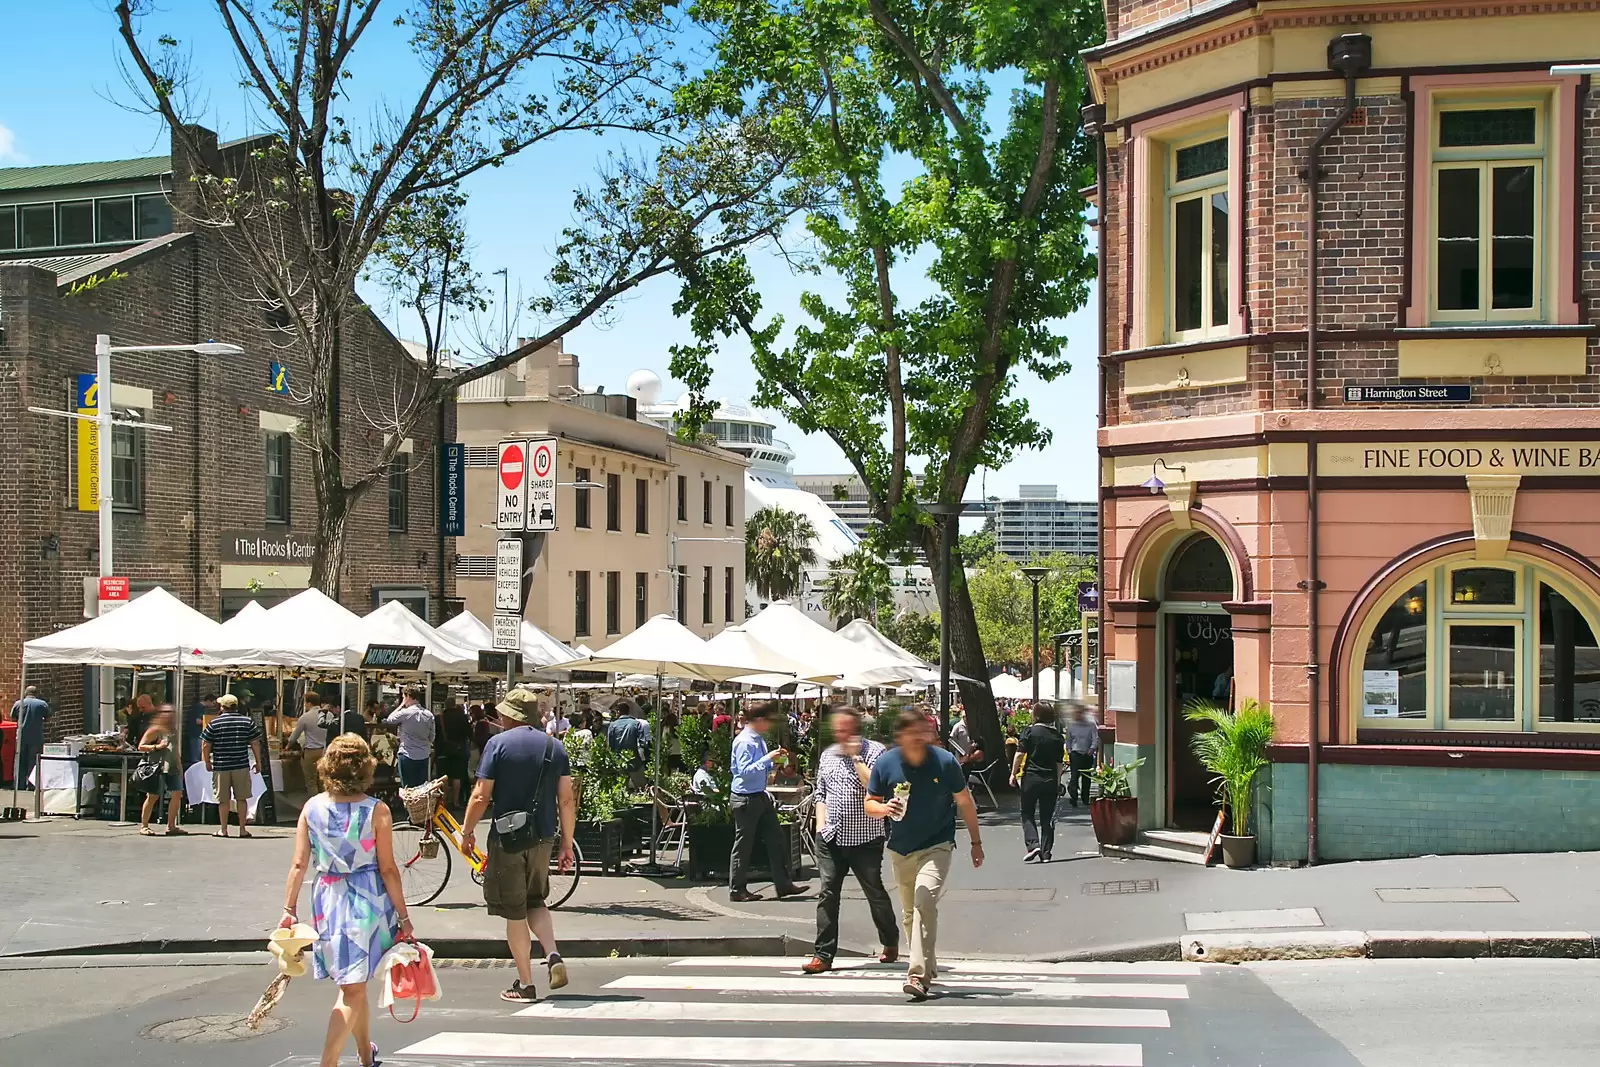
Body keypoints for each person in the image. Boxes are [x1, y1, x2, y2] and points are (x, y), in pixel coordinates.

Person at [280, 734, 410, 1067]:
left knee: (354, 983)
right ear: (365, 768)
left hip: (328, 899)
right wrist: (404, 916)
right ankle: (329, 1061)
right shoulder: (376, 810)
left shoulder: (311, 808)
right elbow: (389, 869)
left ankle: (366, 1053)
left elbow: (298, 864)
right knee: (352, 987)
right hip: (367, 901)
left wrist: (289, 910)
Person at [461, 688, 576, 1004]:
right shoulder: (555, 747)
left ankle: (525, 984)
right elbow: (566, 800)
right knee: (536, 899)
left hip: (508, 838)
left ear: (509, 715)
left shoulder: (497, 745)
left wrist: (467, 831)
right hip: (544, 836)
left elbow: (481, 795)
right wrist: (566, 844)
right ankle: (552, 953)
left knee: (514, 911)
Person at [866, 708, 984, 1001]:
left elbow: (965, 802)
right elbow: (870, 802)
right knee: (909, 913)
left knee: (924, 900)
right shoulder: (886, 763)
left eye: (923, 732)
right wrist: (883, 809)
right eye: (912, 734)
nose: (919, 738)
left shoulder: (944, 763)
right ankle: (927, 962)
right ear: (900, 738)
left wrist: (976, 842)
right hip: (900, 847)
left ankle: (917, 974)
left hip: (938, 843)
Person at [803, 705, 899, 974]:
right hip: (831, 836)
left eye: (845, 729)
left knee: (874, 891)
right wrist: (820, 825)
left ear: (855, 729)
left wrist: (857, 758)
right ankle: (823, 954)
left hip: (865, 838)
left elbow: (876, 788)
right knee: (828, 893)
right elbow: (821, 793)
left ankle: (890, 940)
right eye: (837, 729)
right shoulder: (828, 755)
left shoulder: (875, 752)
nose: (840, 734)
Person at [728, 703, 808, 902]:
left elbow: (759, 768)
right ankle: (737, 889)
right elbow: (744, 772)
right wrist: (767, 759)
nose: (770, 726)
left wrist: (776, 762)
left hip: (759, 795)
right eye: (769, 721)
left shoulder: (757, 740)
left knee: (777, 839)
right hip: (746, 797)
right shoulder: (745, 741)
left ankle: (784, 884)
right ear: (759, 720)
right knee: (744, 844)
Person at [200, 694, 265, 838]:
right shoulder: (247, 722)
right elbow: (255, 742)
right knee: (241, 798)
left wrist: (207, 761)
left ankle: (223, 829)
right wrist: (258, 761)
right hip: (240, 764)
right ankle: (242, 829)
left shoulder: (215, 723)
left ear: (222, 707)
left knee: (223, 800)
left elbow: (205, 744)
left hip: (221, 765)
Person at [1011, 702, 1066, 862]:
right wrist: (1057, 781)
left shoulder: (1029, 731)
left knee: (1027, 812)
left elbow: (1020, 754)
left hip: (1031, 777)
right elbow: (1059, 763)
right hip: (1049, 779)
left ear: (1036, 715)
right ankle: (1046, 853)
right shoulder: (1057, 737)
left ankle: (1033, 843)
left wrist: (1013, 774)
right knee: (1047, 817)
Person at [136, 708, 187, 836]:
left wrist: (180, 768)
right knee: (153, 796)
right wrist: (157, 747)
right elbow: (141, 746)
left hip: (172, 767)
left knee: (177, 794)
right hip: (157, 767)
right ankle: (144, 825)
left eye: (172, 713)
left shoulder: (173, 731)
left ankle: (171, 826)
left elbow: (175, 751)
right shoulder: (155, 729)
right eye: (167, 713)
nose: (170, 716)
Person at [386, 684, 436, 788]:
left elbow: (390, 719)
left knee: (407, 788)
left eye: (404, 697)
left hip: (407, 754)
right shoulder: (429, 715)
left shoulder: (405, 713)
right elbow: (432, 737)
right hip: (423, 755)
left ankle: (407, 805)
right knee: (421, 788)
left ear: (408, 696)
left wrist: (401, 706)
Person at [9, 685, 52, 790]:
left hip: (21, 736)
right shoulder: (42, 704)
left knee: (20, 761)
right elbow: (48, 716)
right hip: (36, 736)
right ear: (36, 693)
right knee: (34, 761)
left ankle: (19, 785)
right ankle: (32, 785)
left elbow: (13, 716)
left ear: (25, 693)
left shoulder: (19, 703)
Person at [288, 691, 331, 794]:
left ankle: (315, 805)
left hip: (311, 751)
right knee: (323, 780)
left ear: (309, 703)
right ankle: (325, 803)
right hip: (326, 751)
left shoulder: (305, 717)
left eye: (305, 702)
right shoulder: (329, 715)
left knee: (311, 781)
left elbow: (294, 737)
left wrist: (288, 746)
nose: (305, 705)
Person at [604, 699, 651, 788]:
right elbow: (643, 743)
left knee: (620, 788)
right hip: (634, 761)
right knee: (642, 788)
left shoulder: (613, 725)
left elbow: (610, 745)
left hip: (618, 761)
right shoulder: (636, 723)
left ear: (618, 712)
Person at [436, 701, 472, 808]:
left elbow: (435, 734)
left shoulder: (440, 718)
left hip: (443, 749)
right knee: (457, 776)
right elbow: (469, 733)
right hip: (458, 749)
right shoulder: (462, 717)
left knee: (443, 777)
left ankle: (444, 800)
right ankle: (456, 801)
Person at [1065, 702, 1100, 807]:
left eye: (1080, 712)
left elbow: (1095, 738)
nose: (1078, 715)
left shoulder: (1090, 725)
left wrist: (1092, 748)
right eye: (1076, 713)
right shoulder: (1071, 726)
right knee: (1074, 777)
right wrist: (1069, 750)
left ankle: (1085, 798)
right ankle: (1073, 797)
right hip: (1075, 753)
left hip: (1087, 754)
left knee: (1086, 778)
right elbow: (1068, 740)